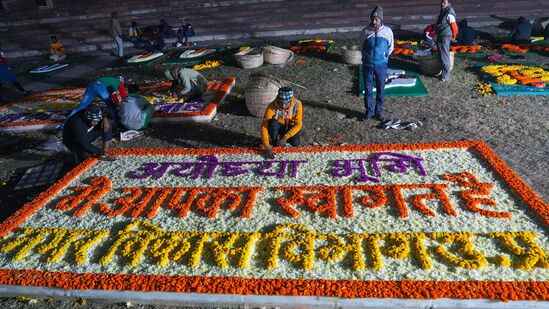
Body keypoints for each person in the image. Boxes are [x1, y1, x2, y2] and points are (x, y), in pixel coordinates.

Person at [359, 5, 394, 122]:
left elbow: (391, 46)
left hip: (381, 65)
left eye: (376, 19)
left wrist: (384, 56)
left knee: (380, 89)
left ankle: (378, 112)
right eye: (372, 19)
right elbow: (361, 46)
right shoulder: (365, 31)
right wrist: (365, 57)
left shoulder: (387, 32)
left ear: (381, 20)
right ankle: (369, 112)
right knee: (368, 89)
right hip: (368, 65)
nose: (374, 22)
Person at [62, 76, 127, 130]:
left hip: (92, 85)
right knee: (111, 106)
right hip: (100, 87)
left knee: (82, 106)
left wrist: (117, 104)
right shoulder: (119, 83)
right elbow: (123, 96)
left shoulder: (111, 82)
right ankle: (117, 124)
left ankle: (63, 125)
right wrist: (120, 107)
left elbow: (113, 96)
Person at [261, 87, 302, 159]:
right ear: (278, 100)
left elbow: (298, 124)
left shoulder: (297, 104)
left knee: (296, 143)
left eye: (286, 103)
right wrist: (266, 145)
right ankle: (275, 141)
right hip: (278, 127)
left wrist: (285, 137)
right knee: (272, 123)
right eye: (281, 103)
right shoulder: (272, 106)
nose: (283, 106)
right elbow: (264, 125)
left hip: (290, 127)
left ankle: (284, 140)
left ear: (291, 101)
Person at [435, 0, 458, 82]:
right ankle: (443, 73)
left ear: (449, 3)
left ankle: (446, 77)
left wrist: (454, 36)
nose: (442, 3)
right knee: (441, 55)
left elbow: (454, 27)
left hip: (445, 36)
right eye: (442, 2)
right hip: (441, 35)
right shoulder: (444, 11)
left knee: (444, 56)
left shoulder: (449, 13)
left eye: (444, 2)